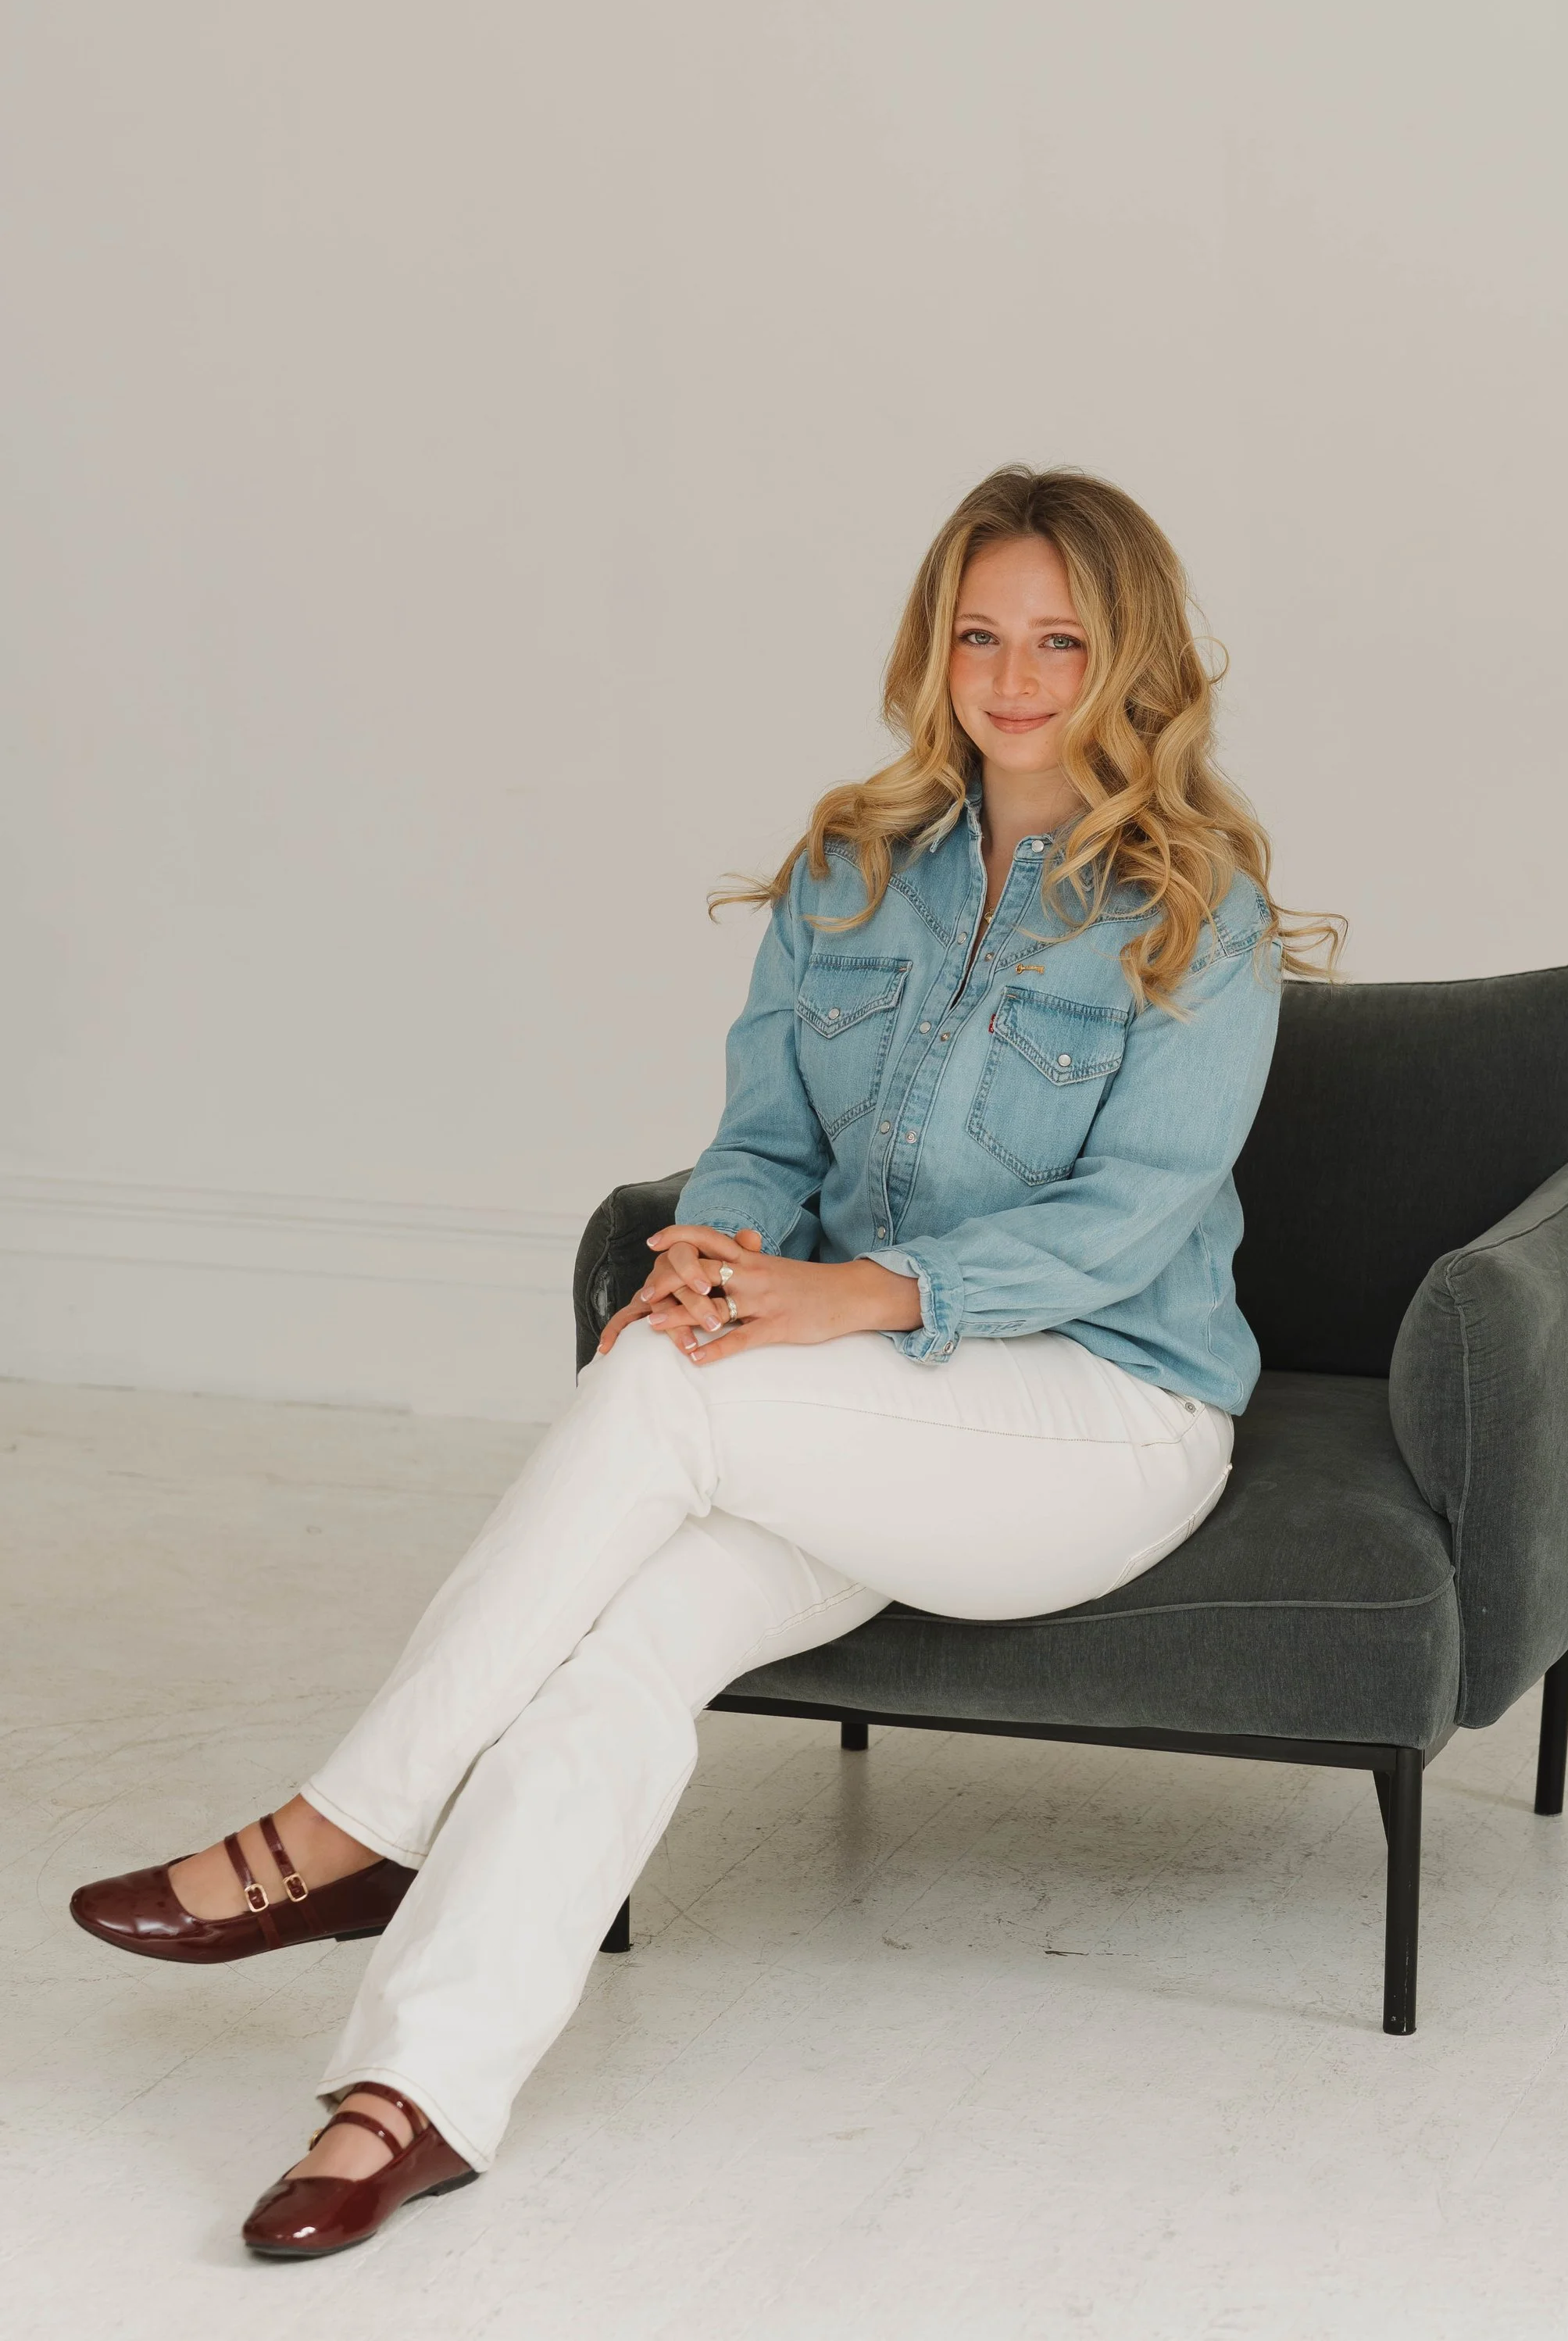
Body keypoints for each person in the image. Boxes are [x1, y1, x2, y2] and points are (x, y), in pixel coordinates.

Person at [70, 465, 1337, 2257]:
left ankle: (342, 1829)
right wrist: (716, 1256)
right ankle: (410, 2097)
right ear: (932, 650)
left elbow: (1123, 1225)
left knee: (668, 1392)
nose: (1012, 677)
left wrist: (842, 1297)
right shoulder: (849, 867)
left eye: (1058, 641)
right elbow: (758, 1139)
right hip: (884, 1422)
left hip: (1103, 1416)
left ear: (1127, 658)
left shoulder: (1193, 907)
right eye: (978, 634)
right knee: (625, 1649)